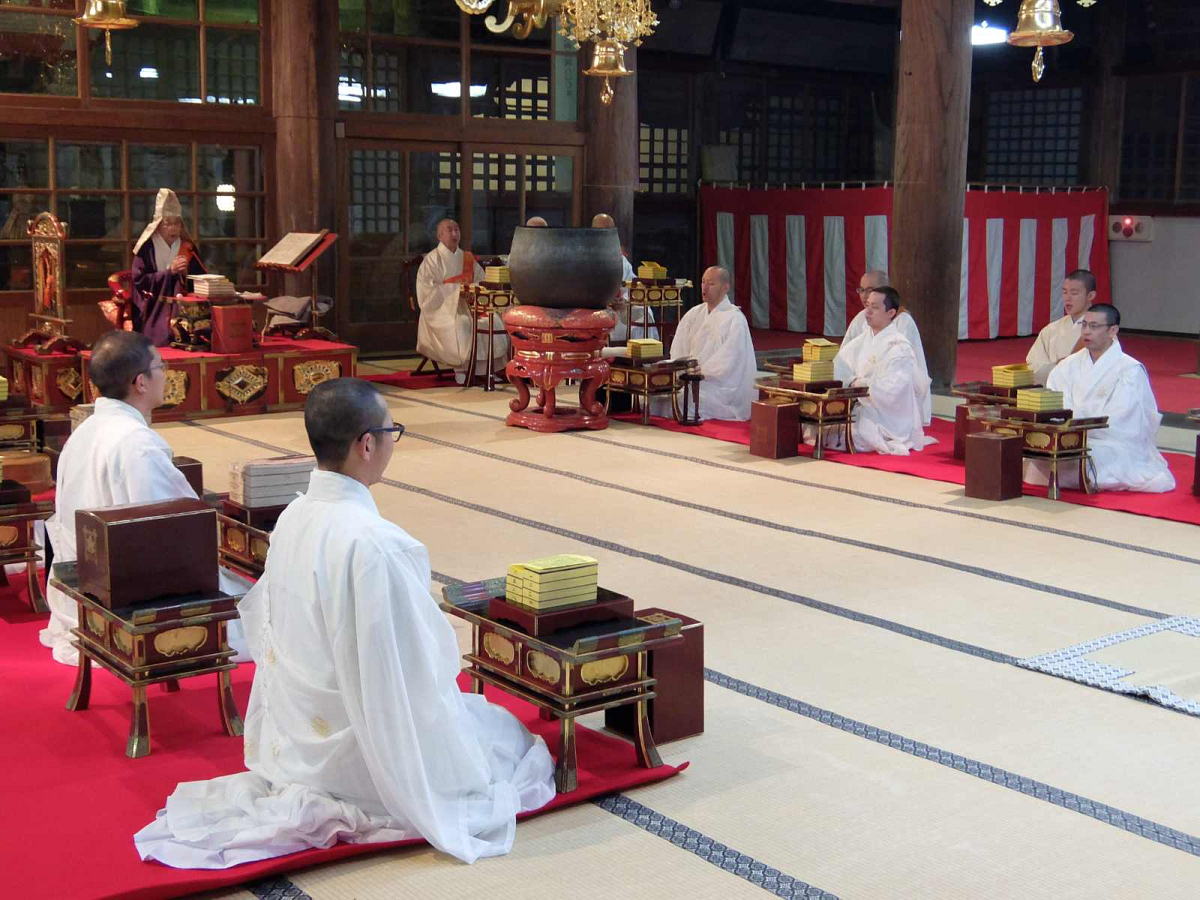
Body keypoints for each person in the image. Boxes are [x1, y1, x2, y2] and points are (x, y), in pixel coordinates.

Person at [134, 378, 555, 867]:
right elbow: (418, 668)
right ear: (368, 443)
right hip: (360, 756)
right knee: (507, 740)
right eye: (391, 431)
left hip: (296, 741)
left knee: (487, 726)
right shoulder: (377, 544)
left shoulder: (293, 515)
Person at [40, 331, 247, 665]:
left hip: (81, 584)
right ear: (140, 382)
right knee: (264, 606)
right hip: (127, 593)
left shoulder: (83, 432)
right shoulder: (138, 444)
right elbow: (174, 531)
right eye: (161, 366)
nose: (167, 374)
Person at [1025, 303, 1175, 493]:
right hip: (1070, 436)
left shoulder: (1129, 370)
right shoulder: (1067, 365)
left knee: (1093, 456)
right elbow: (1055, 401)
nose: (1086, 331)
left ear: (1113, 330)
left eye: (1094, 326)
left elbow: (1125, 420)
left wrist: (1079, 424)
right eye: (1084, 325)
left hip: (1109, 441)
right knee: (1038, 452)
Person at [831, 286, 934, 455]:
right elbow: (839, 367)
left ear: (891, 313)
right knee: (812, 426)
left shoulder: (899, 347)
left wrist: (858, 383)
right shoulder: (861, 341)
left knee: (854, 435)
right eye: (867, 306)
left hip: (887, 417)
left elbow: (893, 390)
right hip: (857, 406)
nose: (868, 312)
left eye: (875, 307)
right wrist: (849, 383)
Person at [651, 266, 757, 421]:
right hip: (687, 378)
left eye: (711, 283)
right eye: (703, 282)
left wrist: (699, 372)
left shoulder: (735, 319)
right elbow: (679, 347)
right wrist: (680, 370)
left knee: (684, 402)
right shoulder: (694, 313)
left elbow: (729, 361)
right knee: (654, 396)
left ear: (725, 287)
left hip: (718, 386)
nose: (705, 287)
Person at [415, 218, 508, 384]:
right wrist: (457, 290)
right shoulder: (431, 260)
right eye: (449, 230)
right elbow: (427, 292)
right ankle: (462, 369)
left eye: (456, 230)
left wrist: (473, 290)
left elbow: (481, 279)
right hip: (443, 309)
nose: (454, 233)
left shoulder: (467, 258)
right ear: (439, 235)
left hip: (471, 304)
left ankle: (487, 370)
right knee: (462, 324)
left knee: (493, 322)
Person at [840, 269, 930, 424]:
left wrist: (865, 383)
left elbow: (900, 370)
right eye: (861, 290)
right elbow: (844, 355)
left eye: (870, 290)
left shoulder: (902, 321)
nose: (864, 295)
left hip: (889, 396)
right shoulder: (860, 317)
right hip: (860, 391)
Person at [131, 188, 206, 347]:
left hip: (184, 304)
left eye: (177, 223)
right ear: (158, 225)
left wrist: (186, 275)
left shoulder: (187, 247)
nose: (173, 228)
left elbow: (201, 278)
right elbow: (139, 280)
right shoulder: (147, 248)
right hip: (155, 306)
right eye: (167, 224)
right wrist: (169, 272)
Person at [591, 213, 654, 344]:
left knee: (644, 313)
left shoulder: (620, 260)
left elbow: (632, 286)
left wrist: (623, 301)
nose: (607, 234)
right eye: (603, 230)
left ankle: (641, 357)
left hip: (618, 307)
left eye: (611, 230)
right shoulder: (584, 256)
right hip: (594, 308)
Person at [1025, 269, 1096, 385]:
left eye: (1074, 293)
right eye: (1064, 292)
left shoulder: (1102, 330)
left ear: (1091, 295)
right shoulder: (1051, 329)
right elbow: (1033, 363)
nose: (1068, 298)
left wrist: (1061, 368)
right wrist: (1058, 370)